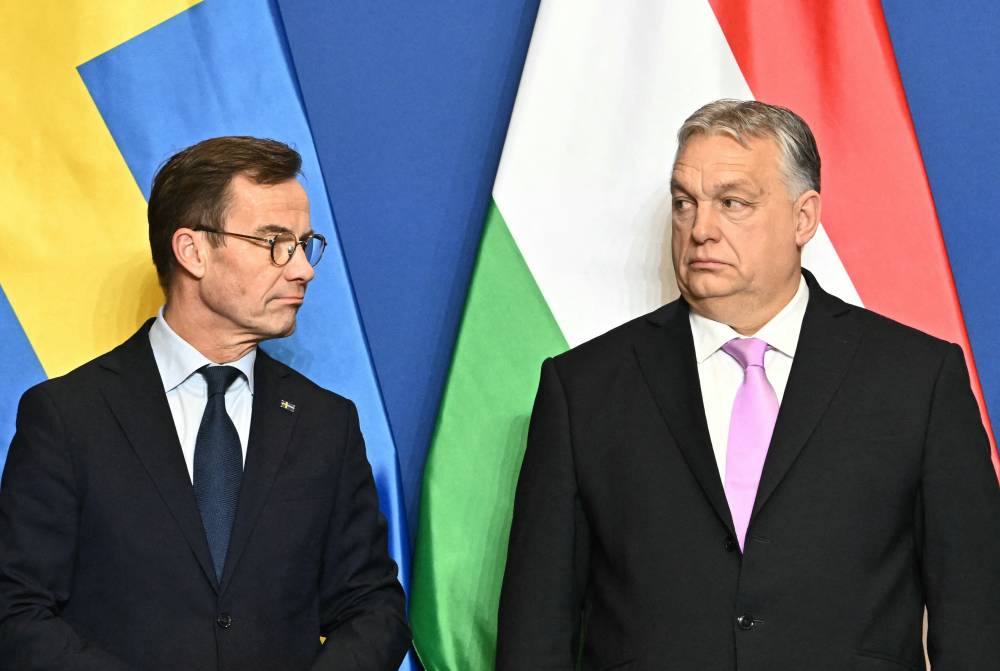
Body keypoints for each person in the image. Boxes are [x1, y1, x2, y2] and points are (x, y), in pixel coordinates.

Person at [496, 100, 1000, 670]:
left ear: (804, 217)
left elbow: (976, 617)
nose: (700, 229)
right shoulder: (584, 388)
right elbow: (536, 630)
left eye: (732, 203)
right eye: (684, 203)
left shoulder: (917, 379)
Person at [0, 137, 410, 670]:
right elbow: (16, 610)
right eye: (274, 242)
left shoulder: (326, 423)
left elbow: (372, 606)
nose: (303, 269)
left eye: (305, 244)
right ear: (192, 251)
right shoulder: (68, 416)